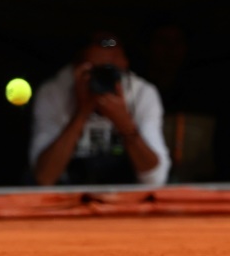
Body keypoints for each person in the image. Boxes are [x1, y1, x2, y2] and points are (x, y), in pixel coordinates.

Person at [27, 31, 170, 186]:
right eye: (96, 71)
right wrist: (81, 113)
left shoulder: (142, 92)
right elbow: (44, 178)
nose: (103, 79)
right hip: (67, 196)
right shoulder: (55, 91)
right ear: (76, 68)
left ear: (125, 64)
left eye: (111, 71)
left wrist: (125, 124)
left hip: (126, 197)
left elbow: (156, 179)